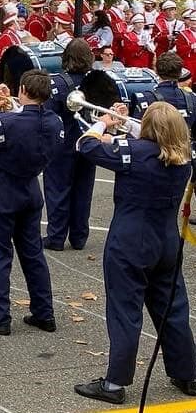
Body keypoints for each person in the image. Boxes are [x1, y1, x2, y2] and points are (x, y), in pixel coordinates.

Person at [72, 102, 196, 404]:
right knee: (172, 309)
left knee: (125, 312)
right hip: (167, 240)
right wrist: (125, 124)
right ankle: (188, 373)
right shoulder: (185, 155)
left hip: (130, 241)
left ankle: (114, 384)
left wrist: (105, 123)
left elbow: (85, 145)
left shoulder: (133, 153)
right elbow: (157, 141)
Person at [0, 70, 59, 336]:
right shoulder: (53, 121)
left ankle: (1, 315)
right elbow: (29, 119)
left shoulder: (6, 121)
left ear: (24, 89)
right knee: (33, 253)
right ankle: (44, 312)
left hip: (5, 188)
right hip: (31, 187)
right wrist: (12, 106)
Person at [42, 39, 97, 251]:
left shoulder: (57, 82)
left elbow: (48, 117)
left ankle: (56, 237)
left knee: (58, 190)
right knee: (84, 190)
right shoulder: (98, 81)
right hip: (89, 142)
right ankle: (79, 236)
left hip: (63, 144)